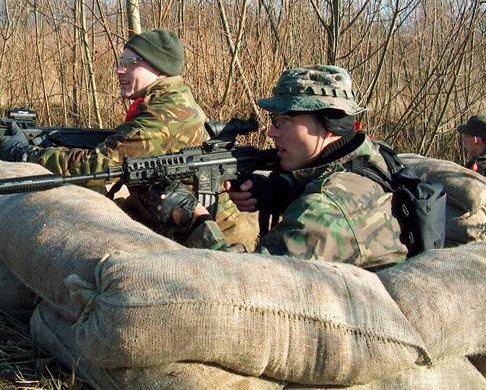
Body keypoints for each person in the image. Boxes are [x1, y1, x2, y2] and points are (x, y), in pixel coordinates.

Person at [0, 29, 258, 248]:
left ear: (159, 69)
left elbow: (95, 167)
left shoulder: (161, 117)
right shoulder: (171, 99)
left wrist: (25, 153)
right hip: (190, 224)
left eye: (130, 63)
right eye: (120, 62)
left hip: (215, 237)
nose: (119, 70)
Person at [148, 65, 408, 270]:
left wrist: (196, 221)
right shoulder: (371, 154)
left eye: (284, 121)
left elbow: (250, 283)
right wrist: (283, 190)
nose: (271, 133)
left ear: (330, 122)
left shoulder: (324, 210)